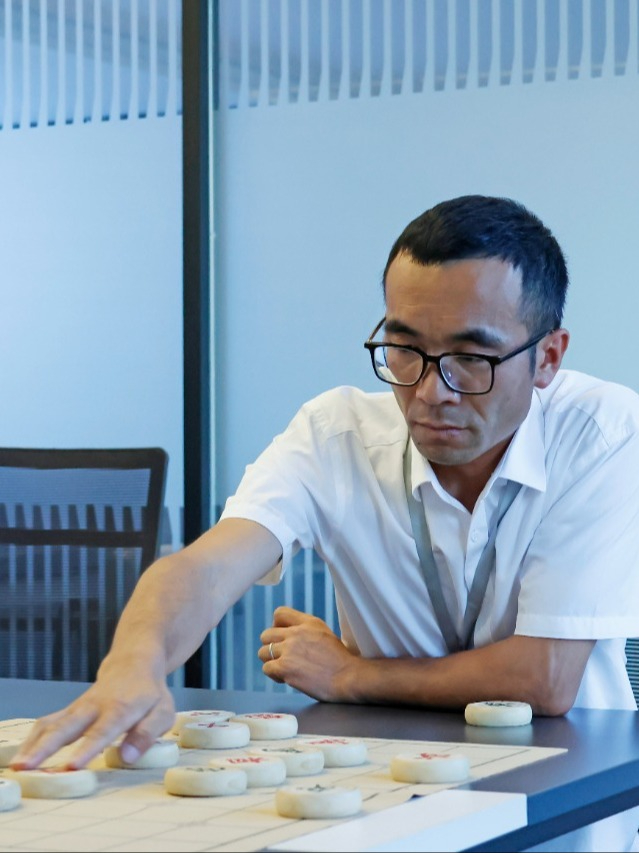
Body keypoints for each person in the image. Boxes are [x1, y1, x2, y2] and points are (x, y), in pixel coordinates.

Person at [13, 195, 639, 851]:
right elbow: (207, 568)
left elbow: (542, 679)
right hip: (380, 794)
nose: (431, 392)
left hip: (567, 808)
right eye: (404, 348)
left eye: (471, 358)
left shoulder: (603, 433)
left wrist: (348, 676)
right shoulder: (335, 433)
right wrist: (132, 664)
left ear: (547, 358)